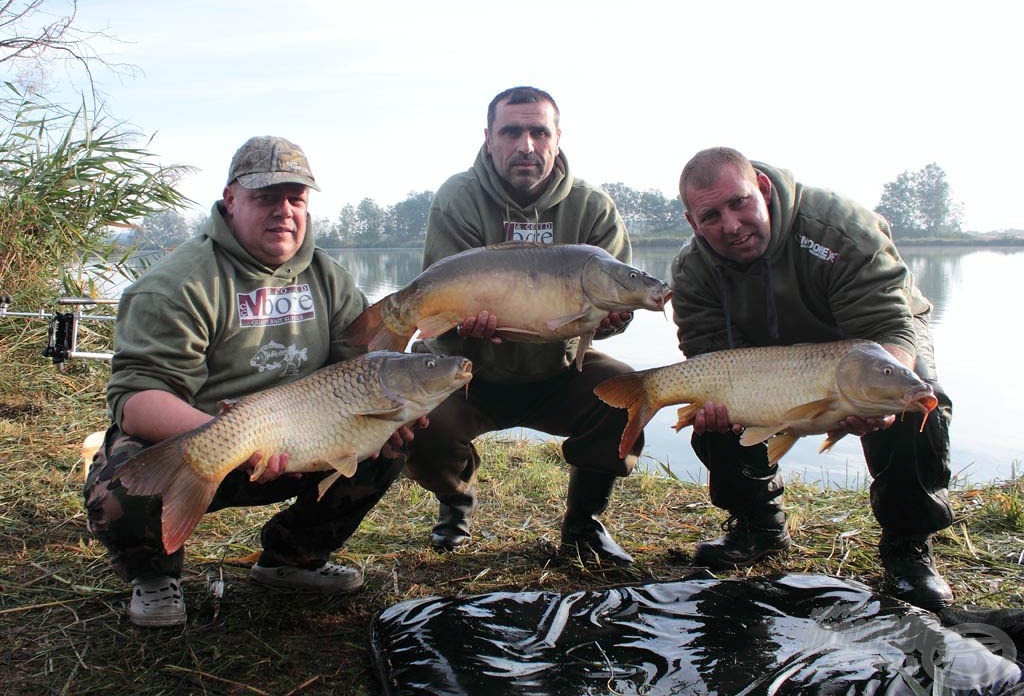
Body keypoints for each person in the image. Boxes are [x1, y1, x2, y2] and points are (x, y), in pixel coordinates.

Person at [84, 136, 413, 627]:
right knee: (120, 493)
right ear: (231, 199)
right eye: (266, 197)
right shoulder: (179, 284)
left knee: (387, 440)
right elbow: (136, 397)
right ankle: (153, 574)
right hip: (200, 435)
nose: (284, 211)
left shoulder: (329, 278)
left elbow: (362, 365)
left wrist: (393, 409)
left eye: (296, 199)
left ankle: (291, 561)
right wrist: (232, 440)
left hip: (304, 441)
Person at [670, 146, 954, 610]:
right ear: (692, 222)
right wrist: (721, 402)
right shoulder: (692, 269)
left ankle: (908, 548)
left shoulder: (838, 228)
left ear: (762, 188)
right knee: (717, 407)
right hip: (766, 356)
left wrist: (874, 398)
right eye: (711, 216)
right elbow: (709, 357)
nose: (732, 226)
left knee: (912, 399)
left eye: (739, 203)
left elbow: (889, 328)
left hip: (868, 334)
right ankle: (757, 525)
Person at [403, 86, 642, 565]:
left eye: (538, 131)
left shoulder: (592, 207)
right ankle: (456, 500)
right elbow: (445, 296)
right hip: (469, 370)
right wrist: (465, 327)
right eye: (511, 132)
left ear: (557, 138)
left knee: (628, 394)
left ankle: (584, 524)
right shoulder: (459, 198)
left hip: (558, 369)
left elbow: (620, 301)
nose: (526, 145)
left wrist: (614, 319)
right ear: (489, 138)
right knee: (417, 415)